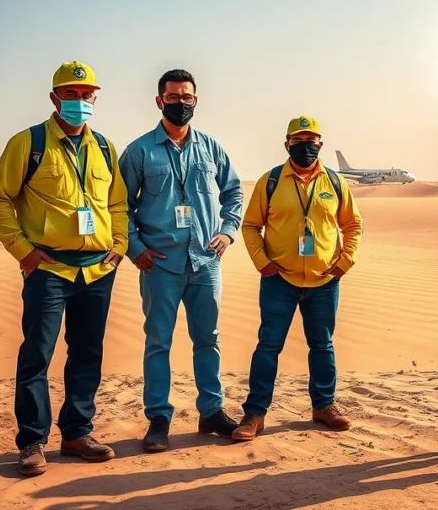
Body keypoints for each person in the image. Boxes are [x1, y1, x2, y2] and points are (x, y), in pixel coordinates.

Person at [0, 61, 129, 477]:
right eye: (71, 94)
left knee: (87, 352)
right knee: (37, 354)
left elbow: (117, 204)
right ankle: (32, 440)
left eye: (86, 96)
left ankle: (77, 432)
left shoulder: (104, 147)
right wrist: (23, 251)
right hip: (48, 268)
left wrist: (118, 247)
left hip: (98, 270)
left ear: (94, 99)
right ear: (54, 98)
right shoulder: (27, 143)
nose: (80, 102)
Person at [117, 69, 244, 451]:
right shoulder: (139, 151)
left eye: (187, 97)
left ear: (196, 100)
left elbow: (234, 193)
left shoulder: (211, 148)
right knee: (158, 341)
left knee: (209, 339)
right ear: (159, 101)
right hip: (160, 265)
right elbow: (119, 207)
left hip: (205, 263)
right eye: (173, 97)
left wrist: (228, 230)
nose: (180, 103)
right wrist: (135, 249)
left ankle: (211, 412)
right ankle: (158, 417)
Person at [231, 116, 363, 442]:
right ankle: (255, 413)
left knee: (322, 346)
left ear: (321, 143)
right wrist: (262, 262)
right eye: (299, 140)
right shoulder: (271, 181)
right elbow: (250, 226)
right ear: (287, 143)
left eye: (312, 140)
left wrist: (345, 261)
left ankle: (324, 406)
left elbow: (353, 226)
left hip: (324, 282)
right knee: (268, 346)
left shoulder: (334, 182)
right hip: (280, 280)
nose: (306, 146)